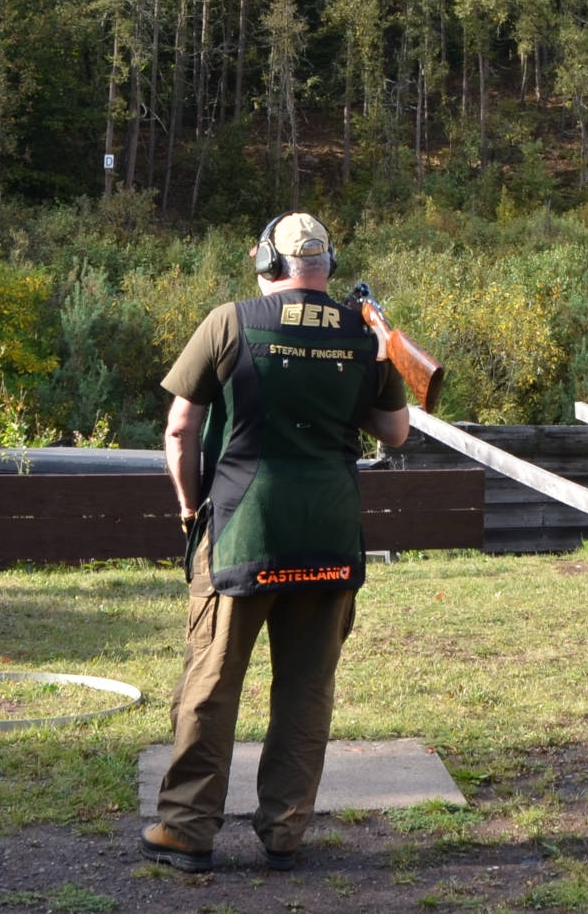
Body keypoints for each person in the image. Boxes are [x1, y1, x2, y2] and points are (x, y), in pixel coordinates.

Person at [141, 212, 410, 873]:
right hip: (329, 534)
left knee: (210, 684)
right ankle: (285, 831)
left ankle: (186, 830)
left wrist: (187, 505)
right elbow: (395, 433)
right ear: (328, 266)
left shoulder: (230, 321)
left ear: (266, 263)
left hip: (241, 531)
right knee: (306, 690)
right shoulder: (365, 333)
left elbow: (180, 428)